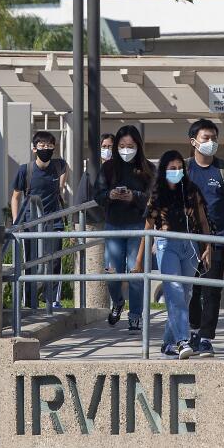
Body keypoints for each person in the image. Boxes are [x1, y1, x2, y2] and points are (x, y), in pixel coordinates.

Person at [134, 150, 212, 358]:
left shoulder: (191, 191)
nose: (177, 172)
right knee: (174, 291)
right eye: (172, 168)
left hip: (189, 244)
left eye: (180, 168)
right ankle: (181, 341)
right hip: (166, 243)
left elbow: (203, 221)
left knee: (185, 294)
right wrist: (140, 259)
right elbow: (147, 228)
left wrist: (207, 247)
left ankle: (168, 342)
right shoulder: (157, 194)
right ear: (164, 171)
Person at [186, 118, 224, 357]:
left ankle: (206, 337)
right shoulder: (184, 169)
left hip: (218, 239)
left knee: (212, 291)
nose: (211, 142)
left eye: (214, 138)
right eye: (206, 138)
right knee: (191, 290)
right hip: (189, 241)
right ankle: (192, 331)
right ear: (194, 141)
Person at [93, 125, 154, 330]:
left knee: (135, 273)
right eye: (122, 146)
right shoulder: (108, 168)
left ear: (138, 146)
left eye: (130, 146)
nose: (126, 150)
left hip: (138, 226)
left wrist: (133, 196)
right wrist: (110, 195)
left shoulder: (148, 169)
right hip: (113, 225)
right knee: (112, 273)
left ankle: (135, 315)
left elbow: (153, 199)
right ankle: (118, 302)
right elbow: (97, 194)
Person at [11, 131, 69, 309]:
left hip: (54, 220)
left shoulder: (59, 165)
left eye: (50, 146)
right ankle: (30, 301)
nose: (46, 149)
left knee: (54, 259)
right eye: (42, 146)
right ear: (34, 148)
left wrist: (61, 188)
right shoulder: (25, 170)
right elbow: (15, 196)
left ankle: (51, 298)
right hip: (31, 222)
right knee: (30, 262)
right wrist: (16, 223)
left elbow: (64, 176)